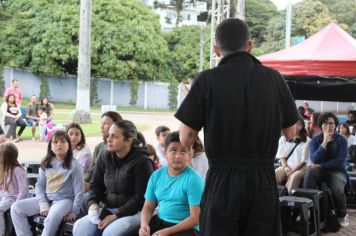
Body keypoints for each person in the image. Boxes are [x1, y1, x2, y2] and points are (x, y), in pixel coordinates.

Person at [174, 18, 298, 235]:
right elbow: (290, 132)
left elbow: (185, 139)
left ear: (216, 49)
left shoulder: (206, 80)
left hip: (222, 181)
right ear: (249, 46)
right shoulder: (274, 79)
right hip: (262, 179)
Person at [73, 120, 154, 236]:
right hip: (109, 209)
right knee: (81, 228)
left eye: (114, 136)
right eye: (109, 135)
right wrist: (93, 204)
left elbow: (140, 198)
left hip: (135, 212)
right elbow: (95, 186)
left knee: (110, 233)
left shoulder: (143, 162)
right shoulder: (104, 156)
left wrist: (116, 216)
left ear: (129, 140)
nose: (108, 139)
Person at [11, 130, 84, 235]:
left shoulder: (75, 165)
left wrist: (74, 211)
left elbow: (79, 191)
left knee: (51, 219)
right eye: (55, 142)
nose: (59, 144)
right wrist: (43, 203)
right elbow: (39, 186)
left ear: (69, 146)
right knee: (16, 208)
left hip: (64, 201)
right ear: (51, 147)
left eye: (63, 141)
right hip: (47, 199)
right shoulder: (46, 163)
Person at [139, 131, 204, 236]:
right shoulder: (156, 175)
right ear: (165, 153)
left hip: (186, 227)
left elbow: (195, 218)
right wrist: (144, 225)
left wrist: (167, 232)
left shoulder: (194, 179)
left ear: (190, 153)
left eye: (183, 151)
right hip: (160, 221)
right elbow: (148, 206)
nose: (178, 156)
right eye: (173, 150)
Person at [303, 112, 349, 227]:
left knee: (337, 189)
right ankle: (307, 210)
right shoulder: (315, 141)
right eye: (325, 123)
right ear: (321, 126)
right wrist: (323, 143)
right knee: (309, 173)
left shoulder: (342, 141)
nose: (329, 126)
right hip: (320, 171)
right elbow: (314, 158)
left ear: (336, 125)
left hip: (337, 171)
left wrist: (320, 165)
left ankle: (342, 214)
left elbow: (339, 162)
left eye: (332, 123)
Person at [84, 111, 123, 192]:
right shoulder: (99, 147)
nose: (101, 127)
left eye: (105, 123)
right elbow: (91, 170)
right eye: (101, 123)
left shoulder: (121, 148)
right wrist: (83, 182)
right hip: (94, 187)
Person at [275, 117, 310, 194]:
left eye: (293, 124)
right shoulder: (283, 138)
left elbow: (303, 162)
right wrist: (285, 167)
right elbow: (282, 156)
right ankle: (273, 196)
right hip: (286, 167)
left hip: (301, 169)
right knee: (275, 173)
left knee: (294, 177)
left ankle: (288, 199)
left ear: (301, 126)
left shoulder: (307, 141)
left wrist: (292, 171)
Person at [0, 143, 28, 236]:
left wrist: (17, 204)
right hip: (5, 197)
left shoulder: (18, 170)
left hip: (13, 198)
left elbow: (23, 190)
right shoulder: (4, 169)